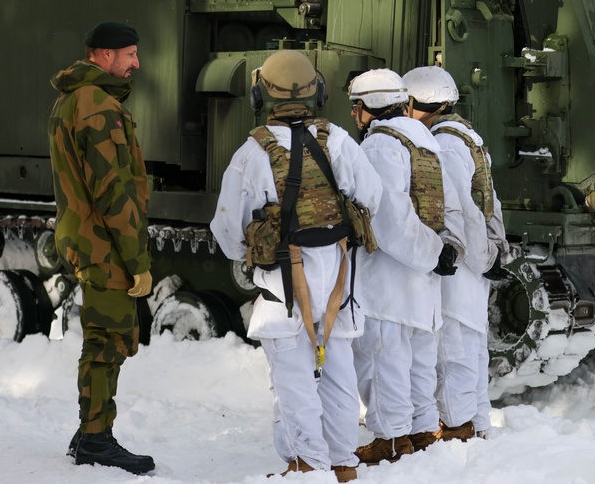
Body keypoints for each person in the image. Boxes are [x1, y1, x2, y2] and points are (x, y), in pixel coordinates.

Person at [210, 51, 381, 482]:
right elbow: (372, 197)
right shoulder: (338, 139)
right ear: (317, 91)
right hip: (338, 273)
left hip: (284, 277)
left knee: (292, 376)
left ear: (259, 92)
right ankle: (342, 462)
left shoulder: (252, 152)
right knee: (338, 366)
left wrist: (246, 256)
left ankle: (306, 465)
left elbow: (228, 224)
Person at [48, 20, 155, 475]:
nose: (136, 63)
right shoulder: (95, 104)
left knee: (104, 337)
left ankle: (89, 430)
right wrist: (138, 262)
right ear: (103, 55)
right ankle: (95, 438)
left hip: (87, 235)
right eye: (129, 54)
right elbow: (113, 191)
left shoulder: (75, 99)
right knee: (108, 341)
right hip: (104, 241)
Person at [347, 68, 466, 464]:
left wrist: (431, 254)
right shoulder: (424, 140)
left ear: (374, 107)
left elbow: (389, 217)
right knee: (418, 360)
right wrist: (442, 250)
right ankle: (420, 430)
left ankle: (390, 439)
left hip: (392, 277)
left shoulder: (381, 145)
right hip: (423, 277)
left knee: (384, 359)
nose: (355, 115)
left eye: (358, 107)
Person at [402, 66, 510, 442]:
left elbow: (461, 209)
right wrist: (496, 251)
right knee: (471, 345)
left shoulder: (443, 143)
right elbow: (490, 202)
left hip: (461, 259)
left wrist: (480, 257)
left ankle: (458, 430)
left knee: (453, 348)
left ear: (417, 101)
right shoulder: (467, 137)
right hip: (476, 256)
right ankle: (476, 422)